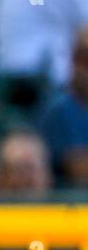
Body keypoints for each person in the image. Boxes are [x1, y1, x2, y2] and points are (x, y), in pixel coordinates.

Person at [36, 25, 88, 185]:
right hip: (66, 204)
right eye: (84, 60)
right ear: (74, 61)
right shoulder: (59, 109)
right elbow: (79, 169)